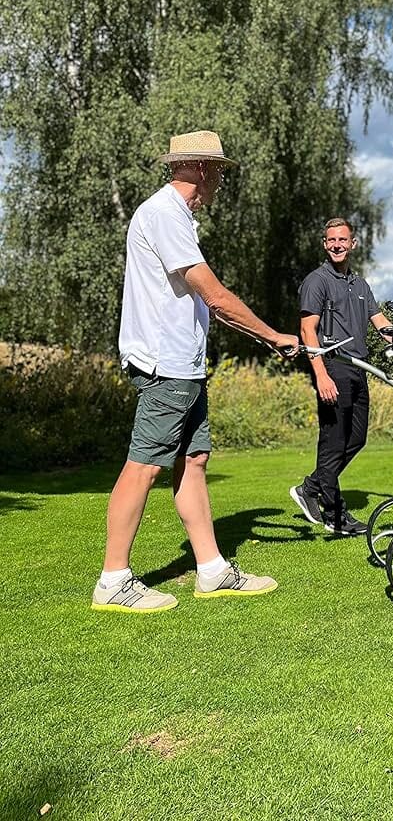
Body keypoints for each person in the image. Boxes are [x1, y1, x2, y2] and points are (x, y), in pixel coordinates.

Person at [91, 130, 299, 614]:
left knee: (194, 461)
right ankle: (113, 579)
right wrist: (275, 335)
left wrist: (264, 337)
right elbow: (216, 295)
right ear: (203, 169)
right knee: (143, 466)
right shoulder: (165, 214)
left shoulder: (175, 216)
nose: (221, 181)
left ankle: (211, 569)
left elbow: (212, 308)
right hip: (166, 364)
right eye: (220, 171)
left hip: (183, 363)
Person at [290, 218, 391, 535]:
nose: (336, 244)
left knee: (356, 438)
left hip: (359, 370)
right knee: (333, 443)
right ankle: (335, 515)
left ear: (353, 244)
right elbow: (307, 329)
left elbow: (380, 322)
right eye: (331, 239)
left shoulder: (360, 285)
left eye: (342, 239)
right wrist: (321, 375)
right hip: (333, 366)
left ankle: (310, 487)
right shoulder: (316, 281)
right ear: (324, 244)